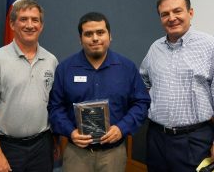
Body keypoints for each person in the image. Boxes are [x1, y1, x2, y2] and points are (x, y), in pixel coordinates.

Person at [140, 0, 214, 172]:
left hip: (193, 140)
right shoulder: (155, 48)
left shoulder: (212, 47)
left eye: (177, 11)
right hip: (156, 138)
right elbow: (144, 80)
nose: (171, 18)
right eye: (165, 14)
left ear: (190, 12)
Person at [47, 12, 151, 172]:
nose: (95, 38)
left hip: (113, 154)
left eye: (100, 32)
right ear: (80, 39)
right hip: (76, 154)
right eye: (88, 34)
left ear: (110, 36)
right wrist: (70, 131)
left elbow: (141, 103)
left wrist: (121, 128)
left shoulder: (126, 68)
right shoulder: (65, 69)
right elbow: (55, 107)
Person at [0, 0, 58, 172]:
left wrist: (55, 142)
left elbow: (54, 105)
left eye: (35, 20)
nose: (30, 25)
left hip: (42, 146)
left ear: (41, 26)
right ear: (12, 24)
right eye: (23, 19)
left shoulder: (51, 61)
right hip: (7, 147)